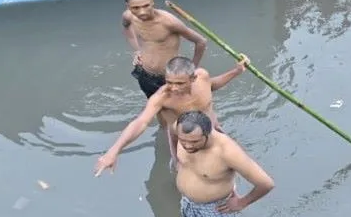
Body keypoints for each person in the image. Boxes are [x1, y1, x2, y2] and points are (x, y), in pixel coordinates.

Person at [94, 54, 250, 171]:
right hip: (185, 139)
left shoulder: (202, 76)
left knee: (233, 165)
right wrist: (113, 151)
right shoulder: (162, 97)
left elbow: (212, 85)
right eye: (169, 82)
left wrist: (236, 71)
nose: (173, 88)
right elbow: (140, 122)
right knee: (186, 170)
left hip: (211, 129)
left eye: (180, 83)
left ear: (193, 78)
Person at [160, 112, 276, 217]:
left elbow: (266, 183)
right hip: (188, 203)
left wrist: (242, 203)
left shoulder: (227, 152)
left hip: (215, 209)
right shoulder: (179, 127)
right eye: (184, 141)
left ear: (209, 133)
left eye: (195, 141)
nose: (188, 146)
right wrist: (176, 158)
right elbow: (171, 130)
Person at [121, 0, 207, 99]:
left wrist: (191, 70)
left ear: (152, 2)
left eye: (146, 6)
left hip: (170, 78)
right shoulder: (128, 16)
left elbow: (201, 41)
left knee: (179, 112)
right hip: (144, 73)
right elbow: (126, 27)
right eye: (135, 8)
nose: (142, 12)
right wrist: (137, 50)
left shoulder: (169, 22)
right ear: (128, 6)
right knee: (155, 106)